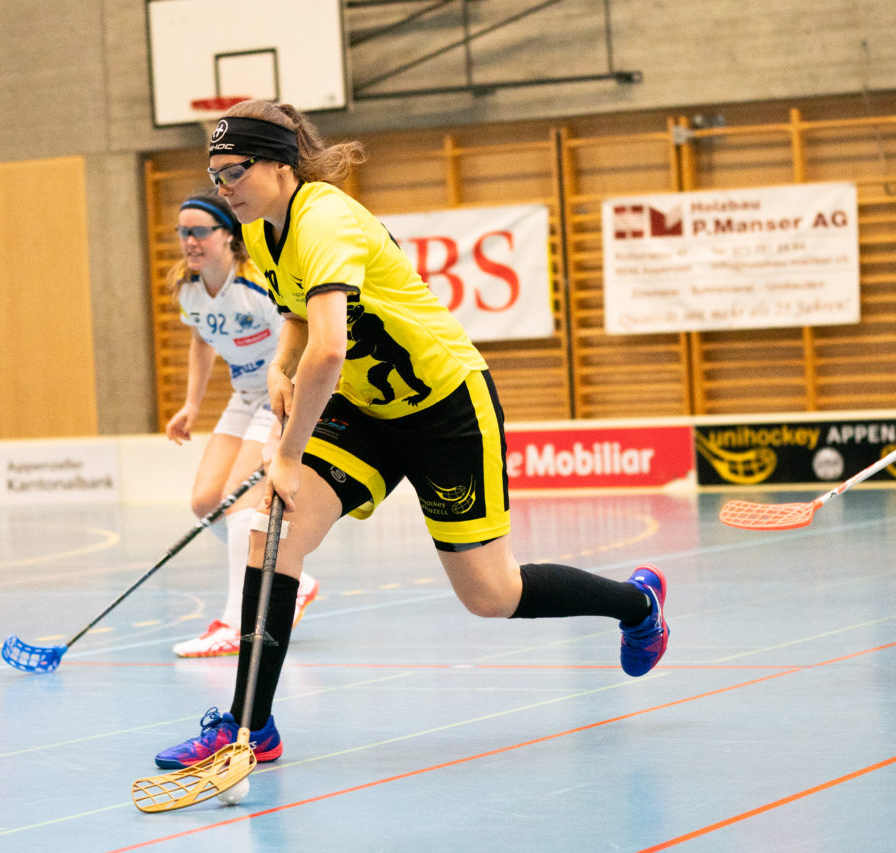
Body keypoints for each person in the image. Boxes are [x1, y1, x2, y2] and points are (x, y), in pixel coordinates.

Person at [153, 101, 669, 768]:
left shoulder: (323, 217)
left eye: (233, 172)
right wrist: (280, 364)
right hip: (366, 412)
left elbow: (332, 349)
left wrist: (284, 452)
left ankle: (637, 602)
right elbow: (301, 323)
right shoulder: (268, 232)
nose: (223, 189)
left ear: (279, 163)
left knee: (491, 594)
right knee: (268, 529)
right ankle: (249, 725)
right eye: (214, 175)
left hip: (444, 407)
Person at [164, 190, 318, 658]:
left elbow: (300, 344)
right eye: (183, 232)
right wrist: (191, 404)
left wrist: (282, 430)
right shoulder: (189, 289)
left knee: (239, 506)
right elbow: (201, 342)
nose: (190, 241)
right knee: (206, 501)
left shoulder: (256, 288)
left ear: (228, 236)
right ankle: (296, 582)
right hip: (243, 395)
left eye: (200, 231)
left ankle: (238, 621)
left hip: (280, 393)